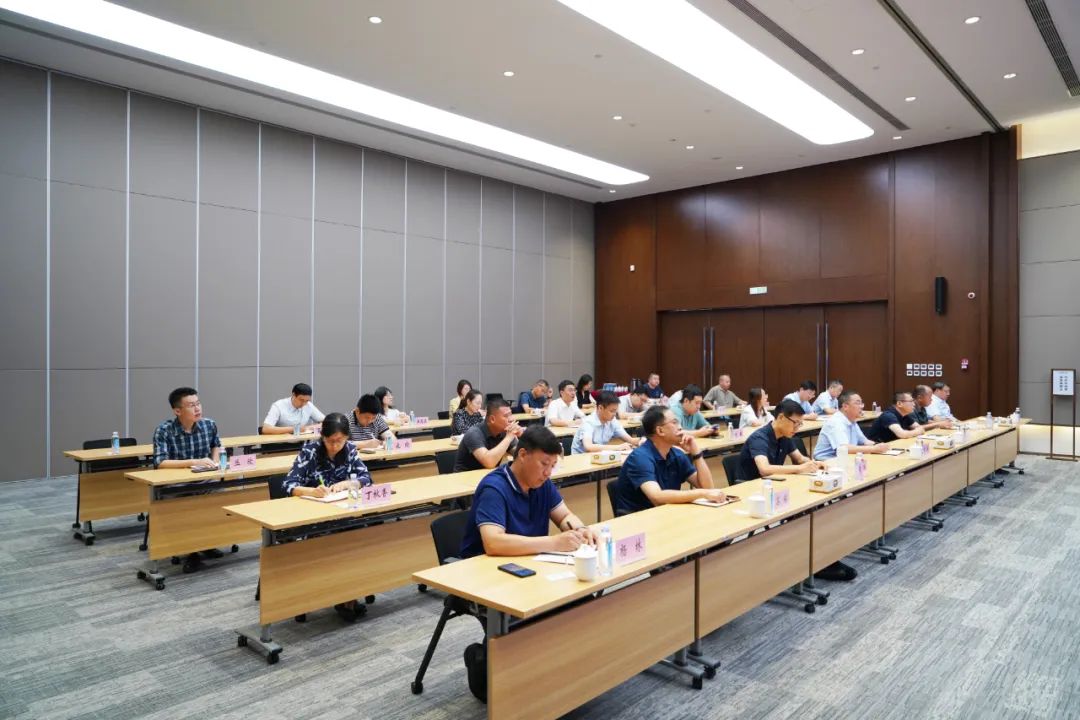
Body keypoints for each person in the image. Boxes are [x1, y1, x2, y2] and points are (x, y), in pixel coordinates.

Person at [282, 412, 373, 620]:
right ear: (322, 437)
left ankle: (348, 594)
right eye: (330, 441)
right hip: (314, 517)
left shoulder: (349, 449)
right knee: (335, 542)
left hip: (343, 514)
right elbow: (288, 484)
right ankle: (340, 597)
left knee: (360, 537)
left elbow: (366, 478)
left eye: (339, 441)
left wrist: (350, 483)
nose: (334, 446)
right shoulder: (310, 451)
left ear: (347, 438)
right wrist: (310, 491)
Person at [460, 425, 599, 558]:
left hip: (528, 560)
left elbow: (564, 516)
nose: (548, 472)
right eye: (544, 464)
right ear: (522, 455)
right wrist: (554, 543)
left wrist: (580, 530)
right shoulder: (494, 488)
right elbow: (493, 543)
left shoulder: (542, 483)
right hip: (485, 567)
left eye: (552, 466)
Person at [151, 387, 224, 574]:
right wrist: (194, 462)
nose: (197, 408)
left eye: (198, 403)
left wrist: (216, 463)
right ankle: (191, 551)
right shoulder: (164, 430)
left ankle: (207, 542)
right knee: (189, 507)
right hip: (177, 485)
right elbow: (160, 462)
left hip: (204, 480)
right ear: (177, 411)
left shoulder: (209, 424)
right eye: (191, 405)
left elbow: (216, 445)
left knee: (222, 498)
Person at [611, 405, 727, 515]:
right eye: (674, 423)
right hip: (639, 520)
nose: (680, 428)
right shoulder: (640, 458)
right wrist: (701, 493)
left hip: (666, 513)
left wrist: (696, 453)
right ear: (660, 431)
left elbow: (708, 488)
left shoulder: (676, 455)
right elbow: (657, 497)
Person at [734, 399, 825, 483]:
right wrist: (799, 468)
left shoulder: (785, 435)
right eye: (795, 423)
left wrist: (814, 464)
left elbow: (800, 459)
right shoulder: (759, 438)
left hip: (771, 482)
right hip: (750, 486)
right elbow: (764, 469)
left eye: (800, 424)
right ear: (781, 417)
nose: (797, 428)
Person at [812, 390, 889, 460]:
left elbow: (865, 441)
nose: (861, 406)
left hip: (845, 459)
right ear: (845, 406)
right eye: (857, 403)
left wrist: (879, 446)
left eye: (861, 403)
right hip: (826, 461)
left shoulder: (852, 421)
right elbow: (844, 449)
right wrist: (873, 449)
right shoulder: (836, 422)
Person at [453, 398, 524, 472]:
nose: (511, 419)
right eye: (506, 416)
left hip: (488, 475)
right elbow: (489, 463)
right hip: (465, 477)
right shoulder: (474, 433)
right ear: (492, 419)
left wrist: (522, 436)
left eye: (511, 414)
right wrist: (508, 438)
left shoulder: (505, 431)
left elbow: (521, 455)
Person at [571, 391, 642, 454]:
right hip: (581, 458)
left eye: (615, 411)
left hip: (598, 456)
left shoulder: (612, 421)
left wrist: (643, 440)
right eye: (612, 411)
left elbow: (630, 440)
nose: (614, 414)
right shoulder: (588, 422)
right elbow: (588, 447)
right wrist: (617, 447)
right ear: (600, 408)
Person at [261, 382, 325, 435]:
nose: (304, 404)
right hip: (280, 443)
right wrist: (295, 429)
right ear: (293, 395)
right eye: (301, 400)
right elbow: (266, 429)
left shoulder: (308, 405)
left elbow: (327, 422)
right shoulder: (278, 405)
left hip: (301, 442)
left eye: (307, 400)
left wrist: (311, 428)